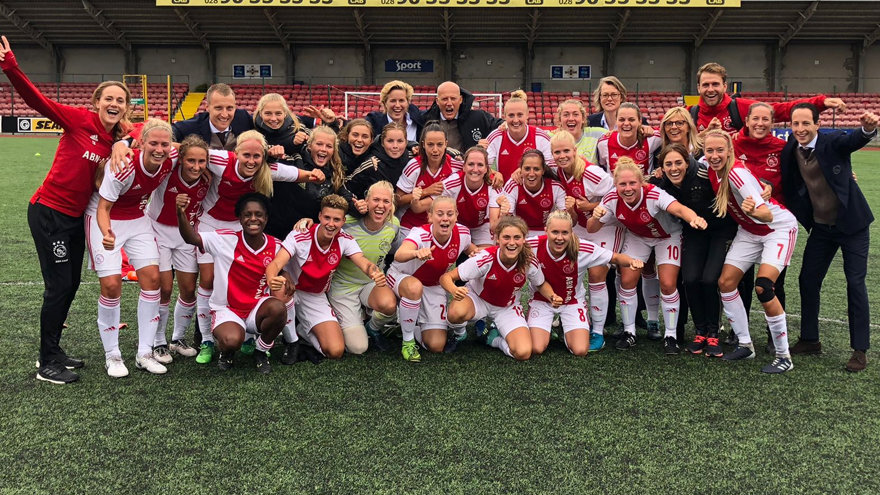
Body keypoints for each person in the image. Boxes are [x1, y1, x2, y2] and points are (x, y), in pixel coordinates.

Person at [1, 35, 133, 383]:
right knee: (58, 286)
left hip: (75, 218)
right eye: (109, 99)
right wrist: (11, 67)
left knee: (71, 283)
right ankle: (46, 362)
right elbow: (38, 101)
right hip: (49, 212)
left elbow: (151, 135)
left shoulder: (118, 137)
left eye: (120, 100)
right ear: (97, 102)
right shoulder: (78, 120)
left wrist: (123, 141)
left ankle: (54, 349)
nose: (114, 104)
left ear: (126, 107)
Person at [194, 130, 318, 364]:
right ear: (236, 153)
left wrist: (316, 174)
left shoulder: (266, 170)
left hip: (237, 224)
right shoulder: (222, 160)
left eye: (256, 155)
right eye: (246, 155)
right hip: (210, 223)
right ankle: (206, 339)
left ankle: (249, 332)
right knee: (208, 280)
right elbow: (189, 151)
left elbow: (295, 175)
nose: (251, 161)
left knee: (249, 273)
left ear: (263, 156)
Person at [780, 104, 878, 372]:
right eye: (795, 124)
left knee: (855, 282)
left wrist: (868, 129)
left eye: (805, 124)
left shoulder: (832, 141)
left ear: (817, 124)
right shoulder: (791, 147)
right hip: (822, 228)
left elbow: (854, 139)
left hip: (853, 225)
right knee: (808, 279)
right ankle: (810, 339)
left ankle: (860, 350)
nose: (800, 129)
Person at [87, 119, 178, 377]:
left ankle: (144, 353)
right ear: (141, 143)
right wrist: (106, 233)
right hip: (106, 219)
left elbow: (188, 151)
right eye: (153, 143)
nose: (159, 149)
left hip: (138, 219)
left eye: (164, 143)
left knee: (152, 280)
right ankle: (112, 355)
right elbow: (103, 207)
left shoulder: (171, 157)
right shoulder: (123, 167)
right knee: (112, 285)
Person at [703, 130, 799, 374]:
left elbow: (766, 214)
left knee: (764, 287)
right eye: (709, 150)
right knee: (725, 283)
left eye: (719, 150)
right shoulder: (709, 167)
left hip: (776, 228)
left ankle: (783, 355)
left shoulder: (737, 174)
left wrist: (754, 211)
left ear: (729, 151)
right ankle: (746, 344)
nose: (714, 155)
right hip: (749, 231)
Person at [588, 158, 707, 353]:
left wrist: (694, 218)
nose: (628, 188)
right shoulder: (610, 198)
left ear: (641, 182)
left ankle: (671, 335)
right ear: (615, 185)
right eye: (622, 184)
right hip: (638, 237)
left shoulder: (653, 193)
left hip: (667, 237)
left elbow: (678, 208)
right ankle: (629, 332)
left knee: (668, 283)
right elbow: (592, 229)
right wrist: (595, 215)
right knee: (627, 280)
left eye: (632, 183)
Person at [266, 194, 388, 360]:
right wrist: (272, 277)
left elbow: (362, 261)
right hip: (291, 290)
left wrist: (375, 273)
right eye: (327, 218)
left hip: (314, 296)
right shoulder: (300, 235)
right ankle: (288, 340)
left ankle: (302, 330)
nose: (331, 224)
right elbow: (275, 263)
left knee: (335, 351)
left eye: (336, 220)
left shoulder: (345, 239)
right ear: (319, 216)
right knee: (280, 286)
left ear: (343, 221)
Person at [177, 192, 287, 374]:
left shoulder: (276, 245)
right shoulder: (224, 239)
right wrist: (181, 213)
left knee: (278, 308)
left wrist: (286, 279)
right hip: (227, 309)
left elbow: (282, 269)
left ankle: (261, 350)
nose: (253, 219)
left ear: (266, 218)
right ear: (240, 218)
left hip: (256, 309)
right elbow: (191, 238)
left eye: (259, 214)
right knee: (232, 340)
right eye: (247, 215)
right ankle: (226, 353)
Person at [651, 144, 735, 357]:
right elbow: (639, 187)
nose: (674, 168)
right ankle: (700, 331)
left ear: (687, 163)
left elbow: (730, 182)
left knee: (709, 280)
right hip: (694, 234)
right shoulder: (661, 183)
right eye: (668, 164)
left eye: (678, 163)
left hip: (720, 232)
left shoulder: (704, 174)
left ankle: (713, 332)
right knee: (689, 279)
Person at [442, 216, 561, 361]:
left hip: (507, 307)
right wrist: (454, 290)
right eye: (506, 237)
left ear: (524, 239)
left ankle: (492, 340)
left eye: (517, 237)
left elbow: (541, 284)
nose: (512, 242)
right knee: (456, 312)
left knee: (523, 352)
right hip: (478, 300)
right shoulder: (484, 258)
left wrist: (552, 296)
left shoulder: (529, 262)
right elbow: (446, 277)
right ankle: (460, 334)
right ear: (497, 238)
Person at [526, 211, 642, 356]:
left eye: (565, 232)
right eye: (555, 232)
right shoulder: (532, 245)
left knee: (580, 350)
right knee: (536, 348)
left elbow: (615, 257)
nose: (560, 238)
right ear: (546, 230)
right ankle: (546, 328)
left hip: (572, 302)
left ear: (571, 233)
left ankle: (565, 328)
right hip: (541, 301)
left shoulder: (583, 248)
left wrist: (631, 262)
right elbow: (505, 250)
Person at [550, 131, 620, 350]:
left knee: (597, 274)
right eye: (557, 152)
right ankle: (571, 319)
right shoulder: (557, 172)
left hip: (605, 227)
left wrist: (589, 206)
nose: (562, 156)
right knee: (570, 270)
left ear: (575, 151)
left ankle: (598, 331)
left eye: (566, 151)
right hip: (581, 226)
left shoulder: (592, 173)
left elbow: (619, 195)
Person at [147, 135, 212, 362]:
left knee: (187, 290)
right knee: (164, 289)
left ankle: (177, 339)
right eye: (190, 160)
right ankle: (158, 342)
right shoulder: (168, 171)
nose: (196, 166)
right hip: (158, 231)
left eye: (201, 161)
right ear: (181, 159)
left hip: (187, 234)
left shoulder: (208, 178)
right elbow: (164, 151)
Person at [387, 196, 476, 361]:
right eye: (440, 214)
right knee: (414, 288)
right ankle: (408, 341)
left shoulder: (463, 233)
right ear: (430, 216)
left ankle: (409, 321)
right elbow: (399, 255)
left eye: (450, 214)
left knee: (436, 345)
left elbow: (469, 248)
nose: (445, 218)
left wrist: (477, 253)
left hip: (433, 286)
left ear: (456, 215)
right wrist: (415, 253)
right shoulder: (420, 234)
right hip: (403, 277)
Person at [327, 181, 400, 354]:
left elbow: (394, 250)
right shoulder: (346, 223)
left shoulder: (394, 225)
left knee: (389, 306)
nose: (380, 205)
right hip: (343, 286)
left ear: (391, 205)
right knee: (358, 347)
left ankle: (372, 327)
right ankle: (350, 315)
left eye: (386, 201)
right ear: (365, 201)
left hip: (370, 283)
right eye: (375, 200)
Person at [689, 62, 846, 134]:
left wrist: (820, 102)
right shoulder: (689, 114)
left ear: (724, 86)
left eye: (715, 84)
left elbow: (780, 110)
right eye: (706, 85)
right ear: (698, 88)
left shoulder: (740, 107)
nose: (710, 89)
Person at [395, 122, 462, 237]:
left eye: (439, 144)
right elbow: (398, 199)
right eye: (430, 144)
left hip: (440, 226)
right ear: (423, 144)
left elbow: (475, 169)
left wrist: (493, 173)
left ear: (446, 144)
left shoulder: (455, 165)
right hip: (410, 226)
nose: (435, 149)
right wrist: (426, 191)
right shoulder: (414, 167)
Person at [495, 150, 566, 237]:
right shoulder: (513, 186)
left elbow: (566, 220)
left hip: (547, 232)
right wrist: (503, 212)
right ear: (520, 170)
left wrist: (571, 210)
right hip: (520, 232)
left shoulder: (556, 187)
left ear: (543, 170)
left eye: (536, 169)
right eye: (527, 169)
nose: (531, 174)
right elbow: (505, 223)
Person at [486, 90, 553, 181]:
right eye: (511, 115)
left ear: (527, 115)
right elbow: (481, 166)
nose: (516, 120)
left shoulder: (540, 137)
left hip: (534, 193)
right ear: (504, 116)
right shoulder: (496, 136)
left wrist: (527, 169)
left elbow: (552, 167)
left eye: (520, 115)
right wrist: (494, 174)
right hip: (505, 193)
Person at [440, 146, 500, 247]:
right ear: (463, 167)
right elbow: (436, 211)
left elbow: (493, 224)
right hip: (456, 225)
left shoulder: (493, 185)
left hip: (481, 226)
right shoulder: (453, 183)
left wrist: (503, 214)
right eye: (471, 164)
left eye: (480, 165)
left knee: (485, 256)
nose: (475, 169)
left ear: (487, 169)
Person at [421, 81, 504, 152]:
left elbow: (502, 126)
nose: (449, 103)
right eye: (445, 99)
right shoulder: (425, 120)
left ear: (460, 99)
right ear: (437, 101)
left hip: (468, 170)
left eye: (453, 98)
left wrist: (487, 142)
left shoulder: (478, 118)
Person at [172, 83, 254, 150]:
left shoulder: (244, 118)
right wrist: (189, 150)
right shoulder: (189, 127)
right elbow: (165, 136)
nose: (224, 114)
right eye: (218, 108)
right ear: (207, 107)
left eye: (229, 108)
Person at [346, 122, 413, 201]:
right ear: (382, 143)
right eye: (390, 141)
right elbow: (346, 186)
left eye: (400, 141)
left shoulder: (412, 158)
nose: (395, 146)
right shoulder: (372, 163)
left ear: (406, 142)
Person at [596, 102, 662, 175]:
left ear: (639, 121)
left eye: (631, 120)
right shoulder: (604, 143)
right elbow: (602, 165)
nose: (626, 123)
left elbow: (669, 132)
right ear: (616, 121)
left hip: (644, 185)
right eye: (621, 120)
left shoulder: (651, 138)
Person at [254, 92, 310, 158]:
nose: (273, 118)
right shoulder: (252, 128)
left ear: (285, 113)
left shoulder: (298, 127)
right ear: (260, 113)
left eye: (278, 113)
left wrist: (300, 141)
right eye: (268, 113)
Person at [552, 98, 609, 164]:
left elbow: (616, 136)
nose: (571, 118)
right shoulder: (551, 138)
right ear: (560, 120)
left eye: (575, 114)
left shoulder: (596, 134)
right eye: (566, 115)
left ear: (583, 119)